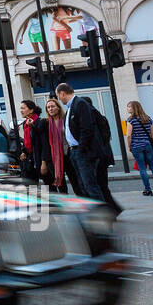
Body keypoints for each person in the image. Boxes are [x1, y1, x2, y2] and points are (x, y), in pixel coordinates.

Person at [56, 84, 121, 214]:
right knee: (84, 186)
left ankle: (103, 215)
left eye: (58, 96)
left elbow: (87, 129)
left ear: (63, 93)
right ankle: (94, 214)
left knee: (91, 186)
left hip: (83, 152)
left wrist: (81, 149)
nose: (59, 99)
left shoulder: (80, 104)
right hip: (75, 151)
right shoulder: (70, 108)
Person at [126, 101, 153, 196]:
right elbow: (152, 133)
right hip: (148, 145)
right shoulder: (147, 118)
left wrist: (129, 146)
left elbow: (128, 135)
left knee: (142, 168)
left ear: (134, 108)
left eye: (129, 107)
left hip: (136, 146)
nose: (128, 108)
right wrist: (151, 142)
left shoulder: (131, 120)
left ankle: (148, 190)